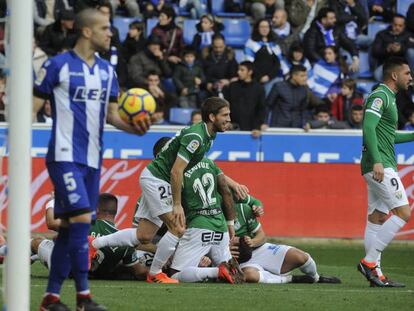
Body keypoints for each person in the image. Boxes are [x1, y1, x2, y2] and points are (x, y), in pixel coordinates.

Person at [32, 8, 150, 311]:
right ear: (87, 31)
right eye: (105, 28)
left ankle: (51, 299)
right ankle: (84, 297)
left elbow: (113, 116)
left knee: (71, 227)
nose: (110, 33)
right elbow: (31, 108)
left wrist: (133, 130)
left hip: (93, 161)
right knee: (85, 219)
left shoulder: (106, 72)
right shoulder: (57, 66)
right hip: (63, 157)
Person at [90, 97, 249, 284]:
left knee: (144, 235)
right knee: (177, 227)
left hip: (156, 179)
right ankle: (155, 273)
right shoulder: (196, 137)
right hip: (157, 180)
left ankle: (93, 244)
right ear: (212, 117)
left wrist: (231, 182)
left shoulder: (209, 136)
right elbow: (176, 171)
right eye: (225, 115)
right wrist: (177, 204)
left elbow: (192, 166)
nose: (229, 119)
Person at [357, 57, 413, 288]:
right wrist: (378, 161)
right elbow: (368, 126)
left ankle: (375, 274)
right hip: (379, 166)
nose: (411, 77)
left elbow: (389, 136)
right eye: (407, 73)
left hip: (380, 163)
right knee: (403, 212)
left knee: (377, 218)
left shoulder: (389, 98)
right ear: (394, 76)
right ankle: (369, 263)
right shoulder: (380, 96)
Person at [32, 194, 150, 280]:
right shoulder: (123, 240)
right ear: (114, 212)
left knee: (36, 241)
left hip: (65, 270)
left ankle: (17, 270)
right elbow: (139, 272)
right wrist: (156, 270)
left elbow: (52, 223)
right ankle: (34, 257)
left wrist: (52, 202)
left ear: (96, 210)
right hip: (96, 275)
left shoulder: (85, 224)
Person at [230, 194, 341, 284]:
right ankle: (289, 279)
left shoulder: (243, 209)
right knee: (250, 276)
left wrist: (252, 242)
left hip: (259, 250)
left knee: (301, 257)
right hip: (238, 260)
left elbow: (262, 236)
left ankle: (316, 278)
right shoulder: (215, 216)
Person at [170, 157, 243, 283]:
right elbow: (226, 191)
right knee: (228, 272)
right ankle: (227, 270)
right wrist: (230, 223)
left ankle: (216, 271)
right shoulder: (209, 163)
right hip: (220, 226)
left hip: (198, 225)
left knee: (175, 275)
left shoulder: (178, 167)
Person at [303, 7, 359, 74]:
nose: (335, 20)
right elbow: (310, 52)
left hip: (335, 60)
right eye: (331, 18)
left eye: (334, 17)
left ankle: (345, 84)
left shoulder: (336, 29)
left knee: (354, 69)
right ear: (323, 20)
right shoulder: (312, 32)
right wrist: (325, 62)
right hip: (319, 62)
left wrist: (355, 58)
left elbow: (349, 43)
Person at [223, 61, 266, 137]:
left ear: (250, 72)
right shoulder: (233, 86)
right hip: (232, 128)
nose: (238, 72)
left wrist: (257, 127)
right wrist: (226, 122)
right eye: (238, 70)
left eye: (242, 70)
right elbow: (226, 106)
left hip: (251, 130)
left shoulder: (259, 88)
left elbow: (261, 109)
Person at [244, 18, 283, 96]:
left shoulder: (274, 44)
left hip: (272, 78)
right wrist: (260, 77)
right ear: (257, 28)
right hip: (257, 79)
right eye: (262, 27)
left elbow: (278, 63)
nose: (264, 29)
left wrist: (269, 76)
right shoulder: (251, 43)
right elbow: (249, 64)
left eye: (267, 27)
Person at [372, 14, 414, 82]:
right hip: (388, 64)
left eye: (400, 26)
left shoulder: (409, 35)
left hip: (405, 65)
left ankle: (411, 78)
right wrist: (387, 49)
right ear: (391, 24)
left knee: (411, 52)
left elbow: (411, 48)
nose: (397, 27)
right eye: (395, 25)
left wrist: (401, 49)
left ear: (404, 26)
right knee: (377, 75)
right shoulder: (381, 34)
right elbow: (375, 52)